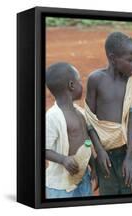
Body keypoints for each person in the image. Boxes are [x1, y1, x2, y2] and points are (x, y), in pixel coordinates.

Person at [85, 32, 132, 195]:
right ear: (112, 58)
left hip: (131, 150)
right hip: (106, 156)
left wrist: (129, 158)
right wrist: (99, 151)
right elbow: (89, 121)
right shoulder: (95, 80)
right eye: (130, 60)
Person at [45, 62, 93, 198]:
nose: (82, 85)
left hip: (83, 178)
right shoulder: (52, 116)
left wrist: (92, 164)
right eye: (79, 81)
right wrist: (63, 159)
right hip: (61, 186)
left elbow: (87, 142)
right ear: (71, 85)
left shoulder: (80, 113)